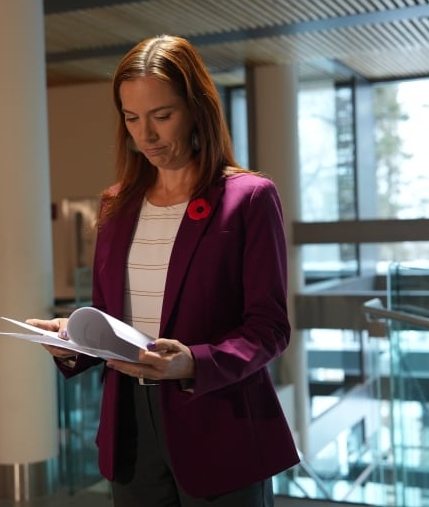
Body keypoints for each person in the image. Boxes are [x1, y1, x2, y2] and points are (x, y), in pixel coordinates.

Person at [27, 35, 299, 506]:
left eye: (161, 116)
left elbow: (269, 328)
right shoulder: (118, 204)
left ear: (197, 109)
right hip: (129, 427)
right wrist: (74, 338)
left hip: (218, 420)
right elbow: (113, 317)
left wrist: (191, 362)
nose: (145, 136)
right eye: (132, 118)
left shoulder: (248, 199)